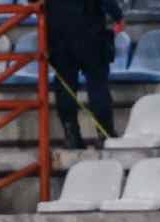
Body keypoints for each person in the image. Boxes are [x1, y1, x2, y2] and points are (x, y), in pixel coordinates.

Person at [47, 0, 123, 149]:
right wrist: (117, 16)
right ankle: (105, 134)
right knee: (97, 84)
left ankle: (71, 136)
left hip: (58, 33)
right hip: (89, 29)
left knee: (64, 86)